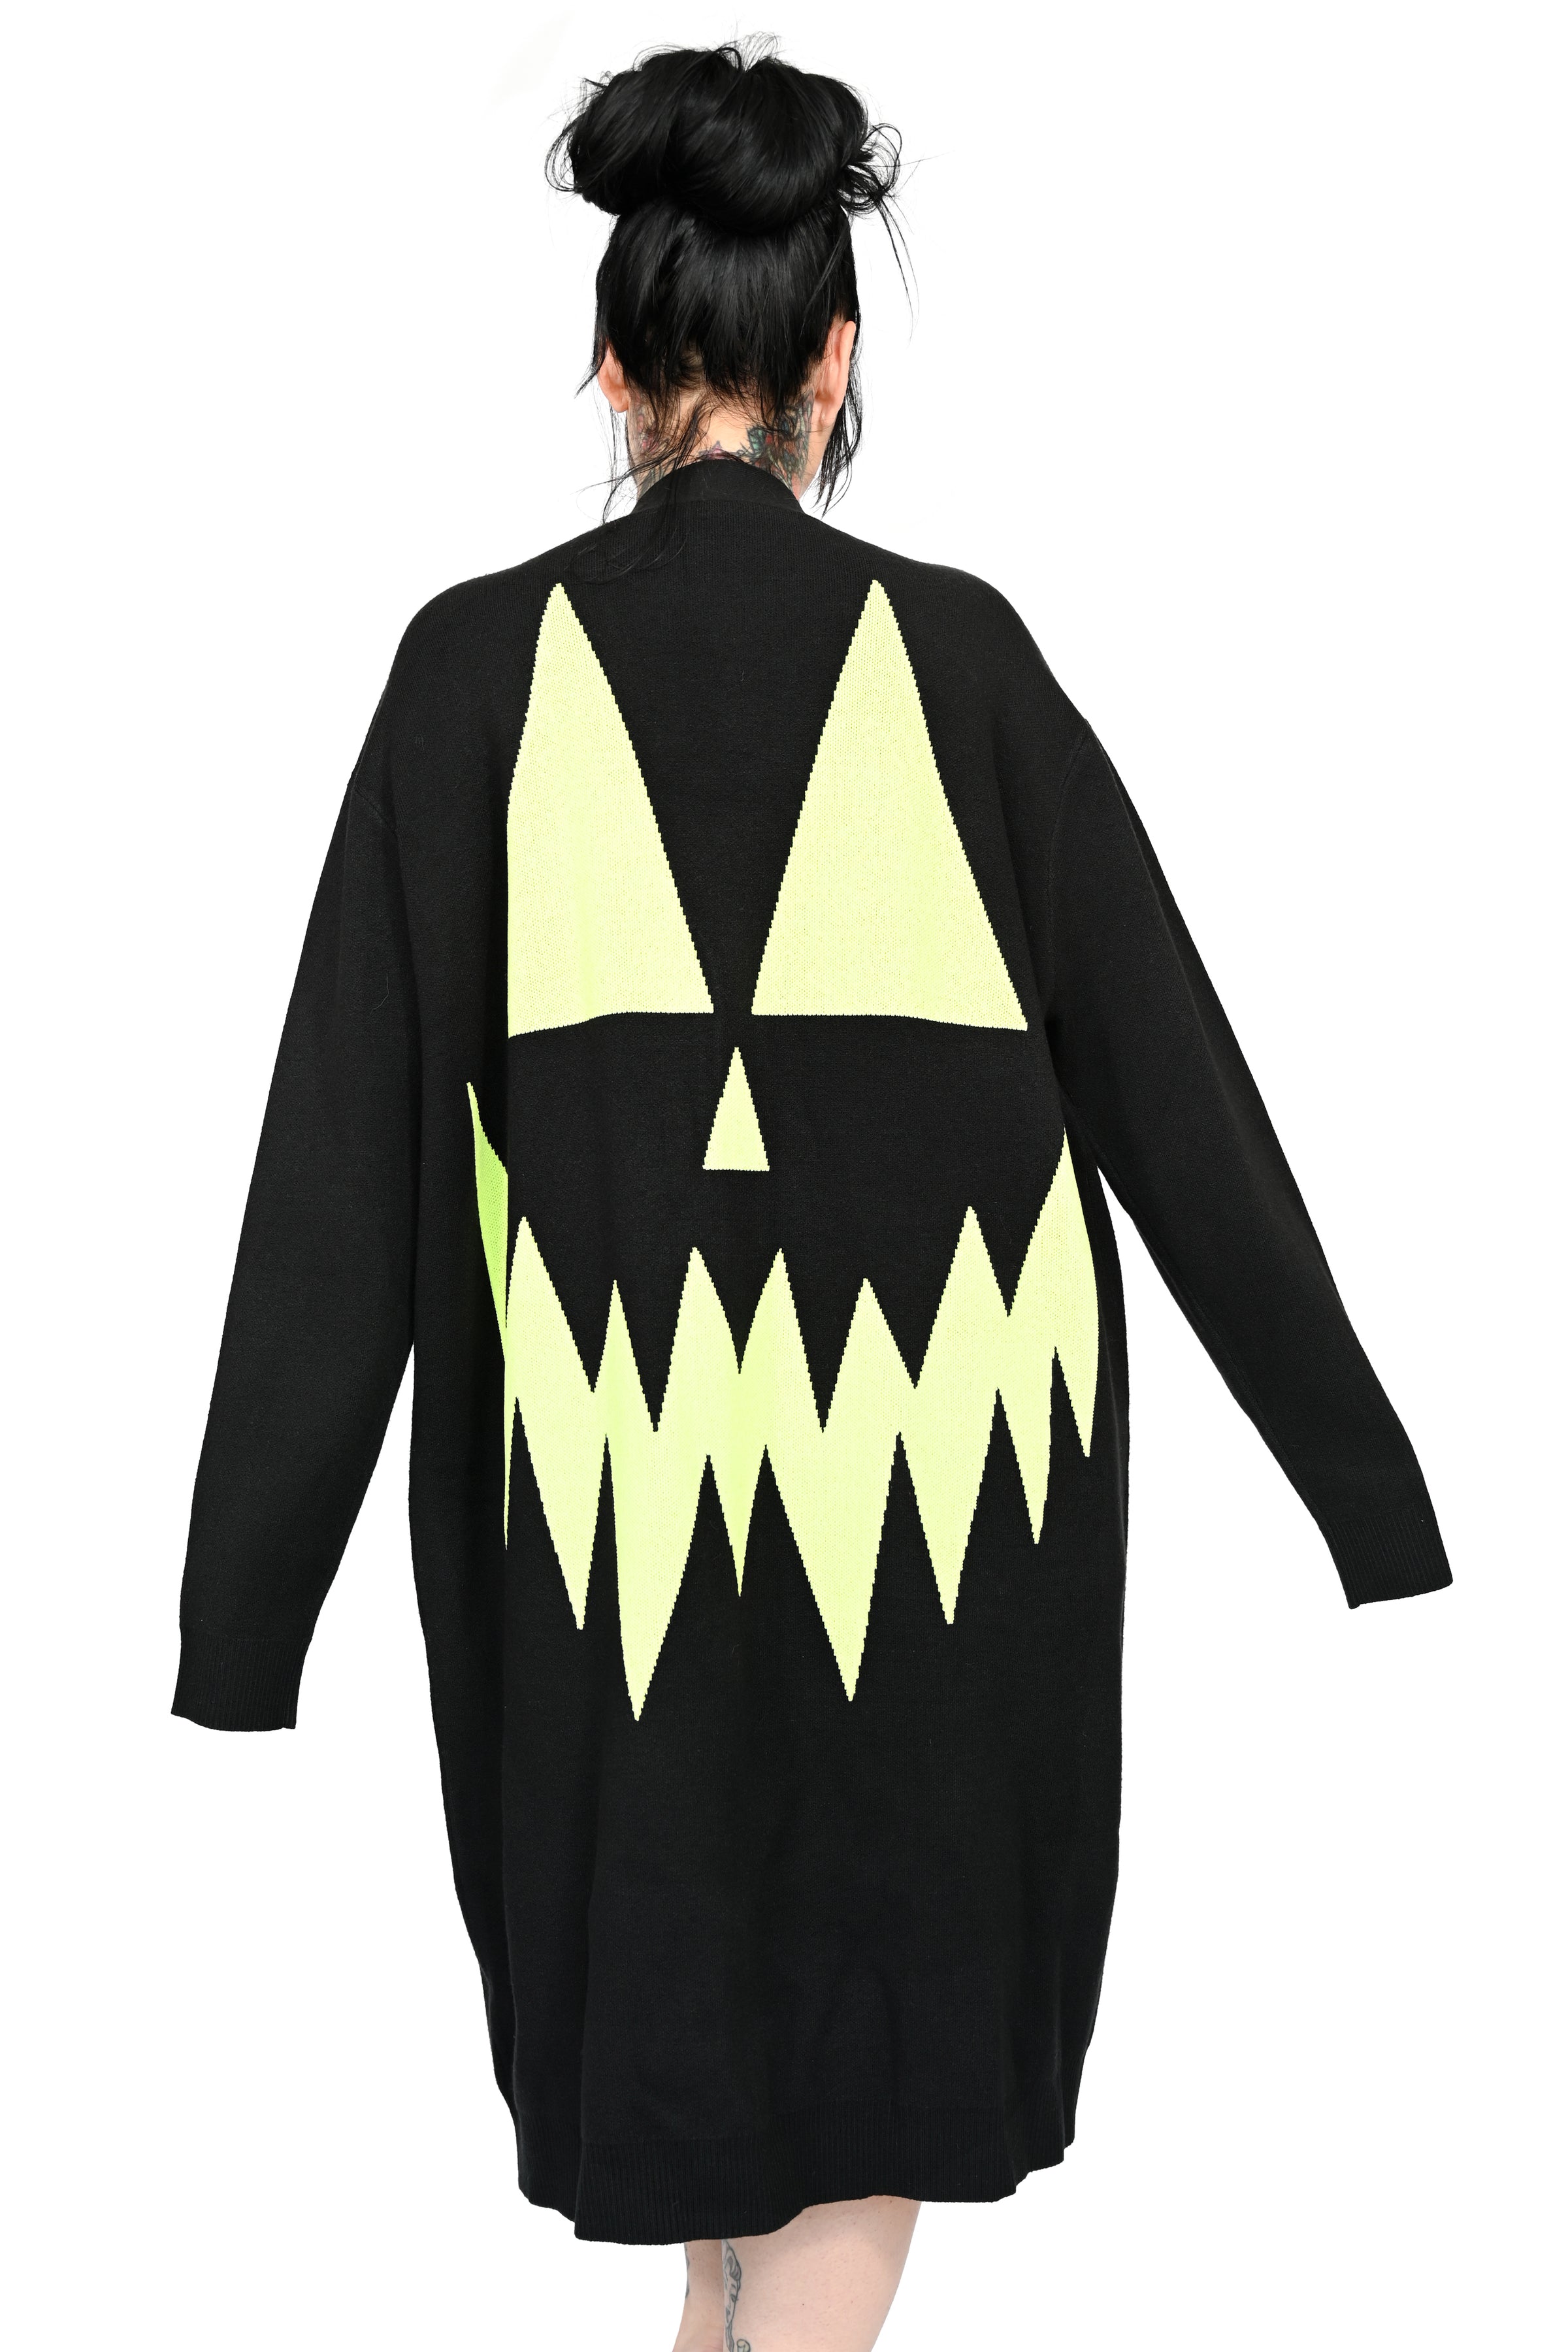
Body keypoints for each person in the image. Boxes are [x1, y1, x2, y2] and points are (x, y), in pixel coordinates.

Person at [171, 39, 1451, 2352]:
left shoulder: (471, 676)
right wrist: (1366, 1491)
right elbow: (1181, 1100)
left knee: (712, 2167)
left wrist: (245, 1614)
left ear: (612, 359)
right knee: (859, 2104)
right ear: (834, 361)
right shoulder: (963, 663)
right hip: (941, 1526)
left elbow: (333, 1170)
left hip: (609, 1549)